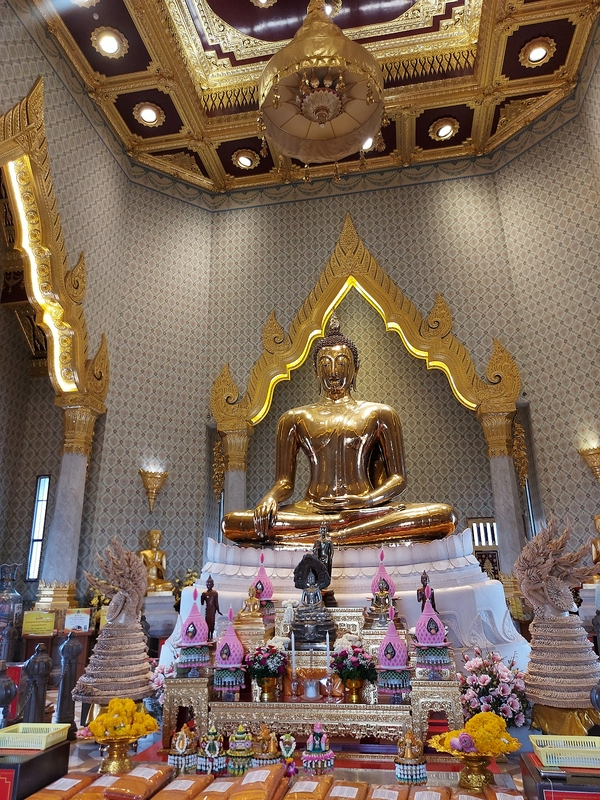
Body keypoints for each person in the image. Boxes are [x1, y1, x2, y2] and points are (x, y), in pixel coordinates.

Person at [223, 316, 456, 547]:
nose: (333, 372)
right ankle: (344, 535)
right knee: (233, 523)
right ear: (315, 370)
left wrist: (366, 500)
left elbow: (398, 479)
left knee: (443, 516)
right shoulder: (294, 418)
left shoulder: (380, 414)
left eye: (342, 363)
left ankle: (330, 535)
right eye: (325, 364)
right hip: (313, 510)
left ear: (355, 368)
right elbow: (284, 482)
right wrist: (270, 498)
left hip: (365, 510)